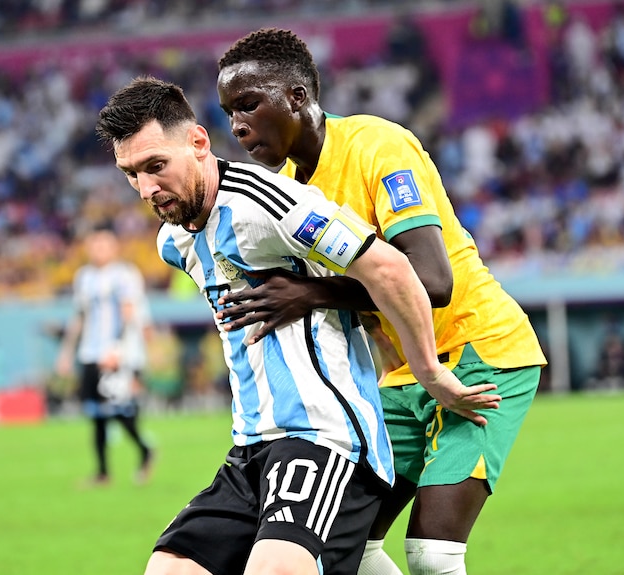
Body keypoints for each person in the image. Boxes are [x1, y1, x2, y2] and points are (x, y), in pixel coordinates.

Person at [95, 76, 498, 575]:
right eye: (131, 173)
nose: (147, 188)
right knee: (170, 567)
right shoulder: (173, 242)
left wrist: (429, 371)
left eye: (157, 166)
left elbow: (391, 269)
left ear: (198, 143)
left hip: (325, 439)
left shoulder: (267, 202)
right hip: (250, 449)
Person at [215, 28, 547, 575]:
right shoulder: (291, 187)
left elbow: (431, 282)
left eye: (249, 104)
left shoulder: (377, 146)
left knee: (433, 554)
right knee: (346, 543)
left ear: (297, 96)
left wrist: (313, 293)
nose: (238, 125)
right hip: (400, 378)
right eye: (229, 111)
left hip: (481, 353)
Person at [55, 223, 154, 486]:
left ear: (114, 247)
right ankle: (102, 473)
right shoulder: (83, 277)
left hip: (115, 355)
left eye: (104, 244)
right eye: (94, 244)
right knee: (95, 413)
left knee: (119, 409)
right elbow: (79, 317)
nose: (98, 250)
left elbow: (128, 312)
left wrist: (117, 349)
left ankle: (145, 449)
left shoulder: (124, 275)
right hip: (90, 352)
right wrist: (66, 353)